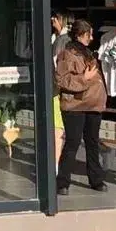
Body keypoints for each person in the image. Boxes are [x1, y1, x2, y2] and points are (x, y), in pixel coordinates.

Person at [55, 19, 107, 195]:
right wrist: (84, 78)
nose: (91, 38)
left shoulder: (89, 53)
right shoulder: (66, 54)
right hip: (75, 105)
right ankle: (62, 182)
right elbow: (62, 80)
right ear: (80, 35)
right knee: (73, 142)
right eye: (88, 34)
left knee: (93, 142)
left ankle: (96, 179)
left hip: (93, 104)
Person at [50, 11, 74, 167]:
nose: (52, 19)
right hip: (65, 88)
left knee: (58, 128)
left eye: (56, 18)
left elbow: (57, 65)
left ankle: (56, 165)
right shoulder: (62, 39)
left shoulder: (61, 40)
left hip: (59, 89)